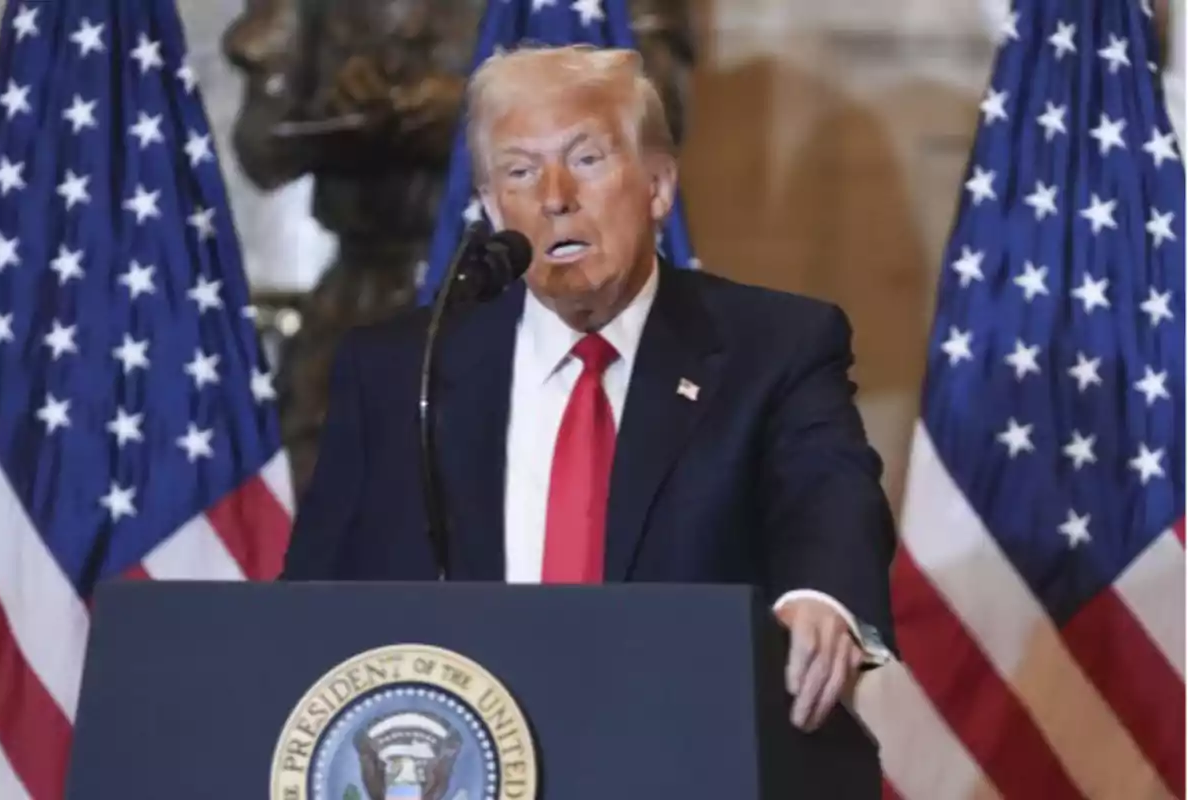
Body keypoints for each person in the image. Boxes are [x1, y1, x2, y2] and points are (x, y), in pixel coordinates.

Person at [281, 44, 898, 733]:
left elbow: (829, 494)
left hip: (685, 746)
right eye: (519, 171)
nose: (554, 197)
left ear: (659, 185)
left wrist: (820, 597)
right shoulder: (402, 369)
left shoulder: (773, 346)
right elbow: (312, 599)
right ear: (490, 207)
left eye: (586, 159)